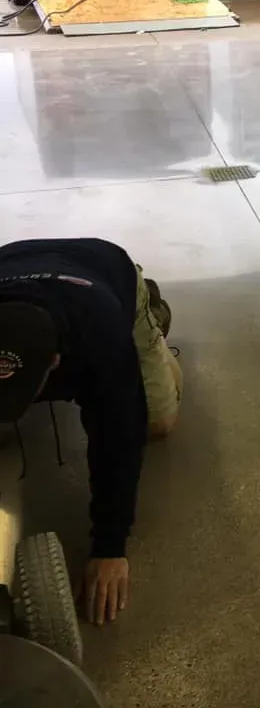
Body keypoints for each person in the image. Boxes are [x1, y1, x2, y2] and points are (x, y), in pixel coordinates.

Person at [0, 238, 182, 627]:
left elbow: (117, 438)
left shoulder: (97, 335)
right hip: (13, 261)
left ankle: (152, 316)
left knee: (156, 422)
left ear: (54, 364)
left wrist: (110, 546)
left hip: (105, 271)